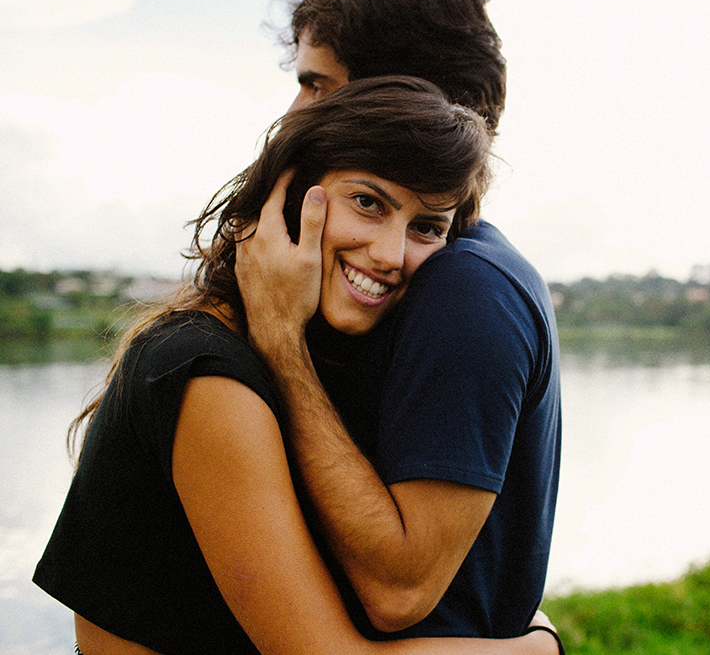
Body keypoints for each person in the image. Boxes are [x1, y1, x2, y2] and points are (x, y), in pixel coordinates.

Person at [34, 77, 561, 655]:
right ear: (288, 198)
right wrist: (533, 649)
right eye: (368, 202)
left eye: (426, 228)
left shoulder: (294, 358)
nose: (390, 254)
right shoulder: (205, 376)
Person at [236, 0, 562, 639]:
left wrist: (279, 342)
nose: (294, 112)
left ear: (398, 104)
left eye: (317, 86)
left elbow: (400, 586)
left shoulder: (465, 288)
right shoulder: (431, 272)